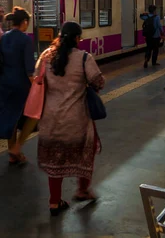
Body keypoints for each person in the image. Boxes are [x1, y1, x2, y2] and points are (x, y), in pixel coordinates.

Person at [36, 22, 105, 216]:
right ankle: (83, 189)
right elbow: (98, 82)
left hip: (50, 119)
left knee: (55, 160)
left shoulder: (46, 57)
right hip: (77, 119)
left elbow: (37, 80)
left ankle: (54, 202)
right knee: (86, 152)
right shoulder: (84, 58)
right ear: (76, 38)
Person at [0, 7, 36, 164]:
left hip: (5, 83)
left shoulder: (4, 38)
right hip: (21, 84)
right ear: (24, 22)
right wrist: (36, 86)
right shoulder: (26, 40)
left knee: (11, 117)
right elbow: (29, 69)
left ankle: (12, 151)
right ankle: (17, 147)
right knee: (33, 115)